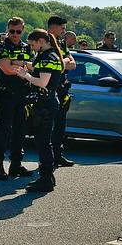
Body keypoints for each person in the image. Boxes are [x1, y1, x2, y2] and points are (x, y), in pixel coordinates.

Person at [13, 29, 63, 193]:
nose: (33, 48)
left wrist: (25, 76)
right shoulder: (51, 55)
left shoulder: (48, 57)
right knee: (43, 141)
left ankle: (45, 179)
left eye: (33, 44)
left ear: (41, 41)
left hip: (45, 105)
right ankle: (48, 177)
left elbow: (42, 82)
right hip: (48, 103)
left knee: (42, 142)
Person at [0, 16, 33, 180]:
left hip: (22, 94)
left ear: (23, 30)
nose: (15, 34)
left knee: (20, 131)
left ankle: (16, 165)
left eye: (18, 31)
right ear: (7, 30)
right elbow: (7, 69)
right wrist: (21, 66)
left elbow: (31, 67)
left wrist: (17, 64)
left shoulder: (26, 47)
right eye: (12, 31)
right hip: (6, 93)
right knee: (3, 131)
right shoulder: (1, 47)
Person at [47, 16, 77, 167]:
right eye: (62, 28)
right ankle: (47, 158)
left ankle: (58, 155)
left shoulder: (61, 43)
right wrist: (63, 62)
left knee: (60, 125)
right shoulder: (45, 41)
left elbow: (73, 64)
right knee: (48, 127)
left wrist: (62, 62)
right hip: (50, 89)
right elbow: (58, 65)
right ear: (53, 27)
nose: (64, 31)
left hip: (62, 89)